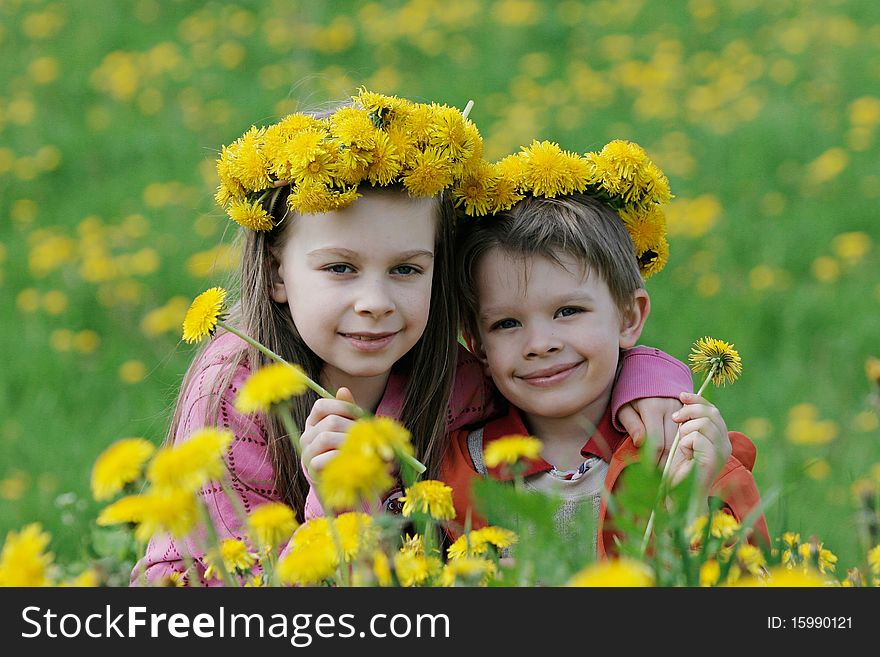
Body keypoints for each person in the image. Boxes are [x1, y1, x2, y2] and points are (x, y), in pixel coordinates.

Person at [132, 92, 692, 586]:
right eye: (340, 268)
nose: (375, 301)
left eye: (406, 270)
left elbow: (558, 381)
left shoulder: (451, 377)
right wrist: (337, 502)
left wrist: (645, 378)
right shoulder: (236, 387)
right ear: (278, 273)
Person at [440, 144, 770, 557]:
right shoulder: (457, 468)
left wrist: (694, 501)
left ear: (630, 317)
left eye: (568, 311)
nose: (541, 344)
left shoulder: (680, 451)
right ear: (479, 346)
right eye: (507, 323)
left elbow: (753, 577)